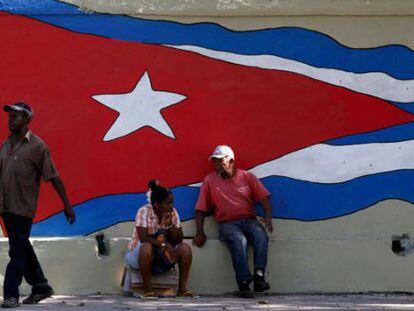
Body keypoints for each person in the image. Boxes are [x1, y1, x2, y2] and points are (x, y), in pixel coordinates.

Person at [0, 102, 76, 308]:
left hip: (22, 208)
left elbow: (54, 177)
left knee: (17, 252)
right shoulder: (6, 145)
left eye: (16, 116)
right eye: (9, 116)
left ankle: (10, 294)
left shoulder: (38, 146)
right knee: (22, 247)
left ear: (27, 120)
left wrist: (67, 205)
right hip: (5, 207)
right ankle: (41, 286)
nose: (10, 119)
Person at [193, 145, 273, 298]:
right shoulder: (209, 181)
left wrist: (268, 216)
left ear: (231, 161)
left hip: (249, 220)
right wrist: (199, 232)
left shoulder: (246, 177)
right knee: (239, 240)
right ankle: (243, 283)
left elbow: (263, 197)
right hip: (227, 224)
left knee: (260, 235)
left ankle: (259, 276)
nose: (216, 165)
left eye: (220, 161)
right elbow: (200, 209)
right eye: (215, 162)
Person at [124, 180, 195, 298]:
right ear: (157, 205)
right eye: (168, 203)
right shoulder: (144, 211)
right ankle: (148, 291)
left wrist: (170, 225)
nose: (171, 206)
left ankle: (182, 290)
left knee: (185, 249)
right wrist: (164, 245)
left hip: (162, 257)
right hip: (140, 256)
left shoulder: (173, 213)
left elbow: (179, 240)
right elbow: (143, 238)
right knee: (147, 247)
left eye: (172, 203)